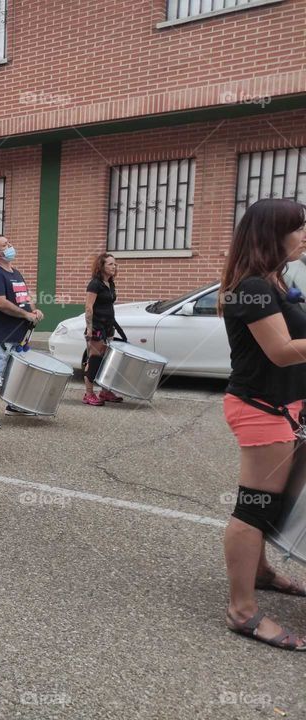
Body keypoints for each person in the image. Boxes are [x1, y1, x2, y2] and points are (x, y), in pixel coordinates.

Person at [220, 198, 306, 651]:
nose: (304, 235)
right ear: (273, 234)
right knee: (253, 507)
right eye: (298, 228)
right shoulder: (252, 288)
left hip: (280, 405)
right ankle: (242, 611)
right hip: (259, 408)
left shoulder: (275, 280)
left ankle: (261, 572)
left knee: (269, 505)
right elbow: (281, 351)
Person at [0, 234, 43, 428]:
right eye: (5, 245)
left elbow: (24, 295)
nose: (11, 247)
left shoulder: (14, 272)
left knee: (16, 373)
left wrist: (33, 310)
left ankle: (15, 405)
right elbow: (1, 304)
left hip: (19, 334)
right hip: (1, 336)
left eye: (9, 243)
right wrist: (25, 316)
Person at [82, 253, 124, 406]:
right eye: (110, 264)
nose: (114, 267)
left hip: (109, 326)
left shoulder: (110, 283)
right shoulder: (95, 284)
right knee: (94, 359)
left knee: (107, 359)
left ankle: (105, 391)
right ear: (102, 266)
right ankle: (89, 394)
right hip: (97, 326)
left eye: (115, 264)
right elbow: (88, 307)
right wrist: (89, 328)